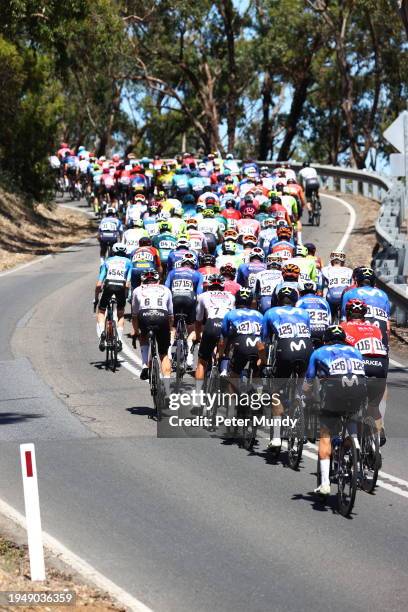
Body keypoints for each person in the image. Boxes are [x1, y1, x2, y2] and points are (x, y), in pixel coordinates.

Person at [303, 325, 366, 495]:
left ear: (325, 339)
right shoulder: (356, 351)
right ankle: (355, 445)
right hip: (358, 390)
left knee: (325, 435)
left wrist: (304, 396)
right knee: (352, 418)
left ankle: (324, 484)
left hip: (334, 391)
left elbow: (309, 380)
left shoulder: (319, 352)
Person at [260, 287, 313, 448]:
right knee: (303, 379)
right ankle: (301, 404)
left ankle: (276, 437)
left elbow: (263, 343)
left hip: (285, 349)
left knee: (276, 391)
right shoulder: (304, 313)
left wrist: (265, 363)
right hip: (306, 348)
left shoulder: (270, 312)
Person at [341, 298, 388, 445]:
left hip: (361, 367)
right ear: (364, 314)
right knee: (373, 406)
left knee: (347, 405)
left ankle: (353, 440)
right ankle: (378, 434)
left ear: (348, 313)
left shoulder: (343, 327)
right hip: (380, 367)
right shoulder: (376, 329)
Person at [131, 270, 174, 381]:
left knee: (143, 336)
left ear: (142, 281)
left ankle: (145, 364)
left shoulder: (137, 290)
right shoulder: (166, 289)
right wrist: (168, 329)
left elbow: (134, 316)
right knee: (163, 354)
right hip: (162, 315)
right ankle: (167, 385)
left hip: (144, 315)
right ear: (158, 280)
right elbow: (170, 316)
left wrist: (136, 331)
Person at [195, 274, 236, 386]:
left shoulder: (203, 295)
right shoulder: (231, 296)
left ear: (208, 285)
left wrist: (198, 337)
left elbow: (198, 320)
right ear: (223, 287)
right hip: (228, 324)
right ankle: (223, 370)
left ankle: (198, 395)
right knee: (226, 351)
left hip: (212, 323)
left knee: (202, 362)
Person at [95, 243, 132, 352]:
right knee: (120, 314)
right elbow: (127, 284)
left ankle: (102, 332)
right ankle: (119, 340)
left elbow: (99, 284)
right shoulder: (128, 262)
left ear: (113, 252)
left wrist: (96, 298)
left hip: (108, 285)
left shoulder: (107, 261)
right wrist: (125, 297)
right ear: (125, 253)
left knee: (101, 311)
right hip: (121, 286)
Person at [217, 288, 263, 377]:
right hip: (257, 347)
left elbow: (223, 340)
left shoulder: (230, 314)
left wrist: (221, 355)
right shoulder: (260, 315)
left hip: (241, 347)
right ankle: (257, 384)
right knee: (257, 368)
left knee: (234, 374)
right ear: (251, 301)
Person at [340, 266, 391, 346]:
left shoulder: (349, 293)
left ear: (357, 281)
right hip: (379, 334)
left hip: (357, 332)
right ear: (374, 282)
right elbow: (387, 326)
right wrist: (386, 344)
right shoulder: (384, 295)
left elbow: (343, 319)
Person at [296, 280, 331, 346]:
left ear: (300, 292)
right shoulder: (324, 301)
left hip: (306, 333)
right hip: (322, 332)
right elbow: (329, 320)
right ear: (315, 291)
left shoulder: (299, 302)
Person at [321, 251, 353, 320]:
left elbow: (321, 287)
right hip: (345, 297)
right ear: (343, 261)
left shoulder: (325, 270)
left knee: (329, 317)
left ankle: (330, 321)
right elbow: (351, 287)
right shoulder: (350, 271)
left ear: (332, 260)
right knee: (346, 317)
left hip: (332, 297)